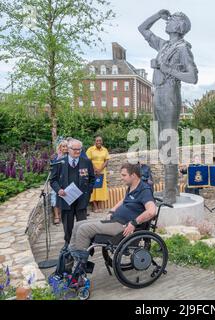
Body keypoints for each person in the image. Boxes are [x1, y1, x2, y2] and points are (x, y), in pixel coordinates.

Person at [139, 9, 198, 204]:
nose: (167, 21)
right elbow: (143, 29)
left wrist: (166, 69)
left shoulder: (182, 49)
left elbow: (193, 77)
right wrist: (157, 15)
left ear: (179, 26)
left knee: (168, 144)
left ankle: (170, 194)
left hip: (170, 95)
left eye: (171, 20)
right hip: (159, 94)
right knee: (161, 143)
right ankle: (171, 190)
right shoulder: (164, 45)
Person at [68, 162, 156, 269]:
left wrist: (134, 223)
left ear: (133, 175)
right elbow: (124, 200)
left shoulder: (144, 190)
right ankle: (70, 258)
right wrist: (112, 211)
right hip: (115, 220)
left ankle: (79, 269)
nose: (121, 178)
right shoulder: (132, 187)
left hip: (122, 226)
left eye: (124, 175)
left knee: (83, 229)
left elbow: (152, 211)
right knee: (78, 224)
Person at [50, 139, 95, 250]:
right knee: (68, 226)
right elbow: (53, 180)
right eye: (75, 149)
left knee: (83, 225)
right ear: (68, 149)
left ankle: (83, 246)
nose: (77, 151)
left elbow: (92, 179)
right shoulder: (60, 162)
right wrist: (59, 190)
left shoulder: (86, 161)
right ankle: (68, 245)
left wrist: (88, 191)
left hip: (81, 200)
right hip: (66, 200)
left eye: (79, 149)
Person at [86, 136, 110, 213]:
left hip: (102, 171)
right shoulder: (90, 149)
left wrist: (100, 169)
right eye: (97, 141)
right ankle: (94, 206)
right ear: (95, 141)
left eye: (100, 140)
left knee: (100, 188)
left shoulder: (105, 150)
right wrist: (95, 169)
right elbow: (88, 160)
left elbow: (106, 160)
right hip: (92, 171)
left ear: (102, 142)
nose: (98, 142)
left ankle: (99, 206)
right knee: (93, 187)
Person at [50, 140, 68, 225]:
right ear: (60, 148)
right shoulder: (55, 157)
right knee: (54, 195)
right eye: (63, 146)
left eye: (66, 146)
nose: (65, 148)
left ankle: (62, 213)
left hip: (66, 181)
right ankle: (56, 216)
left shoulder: (70, 156)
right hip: (57, 181)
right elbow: (52, 168)